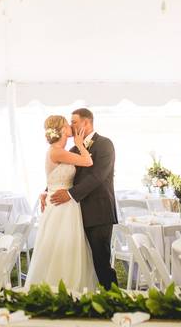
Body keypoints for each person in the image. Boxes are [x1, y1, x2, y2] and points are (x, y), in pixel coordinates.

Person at [45, 108, 118, 288]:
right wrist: (46, 191)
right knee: (81, 261)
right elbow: (63, 176)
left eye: (74, 122)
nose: (71, 126)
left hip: (98, 211)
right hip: (76, 214)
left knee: (101, 261)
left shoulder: (105, 144)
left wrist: (69, 194)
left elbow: (98, 177)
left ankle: (114, 299)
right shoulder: (72, 149)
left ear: (86, 123)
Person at [24, 114, 97, 290]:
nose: (71, 127)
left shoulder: (60, 150)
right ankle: (61, 285)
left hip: (64, 202)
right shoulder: (57, 151)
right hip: (61, 205)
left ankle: (70, 283)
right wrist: (80, 144)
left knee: (66, 242)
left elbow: (53, 178)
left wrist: (45, 191)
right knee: (61, 243)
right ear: (62, 129)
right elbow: (88, 161)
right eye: (68, 124)